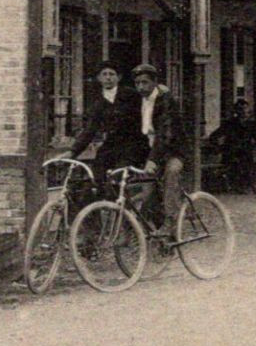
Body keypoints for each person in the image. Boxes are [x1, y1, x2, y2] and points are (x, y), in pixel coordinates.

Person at [68, 63, 147, 196]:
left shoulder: (131, 95)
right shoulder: (97, 101)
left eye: (112, 74)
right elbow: (90, 130)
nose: (108, 78)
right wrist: (73, 151)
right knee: (94, 182)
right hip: (111, 146)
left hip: (133, 147)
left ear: (119, 78)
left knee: (117, 181)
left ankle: (122, 212)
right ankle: (98, 212)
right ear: (99, 78)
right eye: (104, 74)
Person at [134, 62, 191, 230]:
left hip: (174, 151)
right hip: (153, 152)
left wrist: (153, 159)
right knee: (147, 190)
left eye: (145, 82)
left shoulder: (166, 101)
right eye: (137, 83)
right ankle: (153, 226)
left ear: (154, 82)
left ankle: (171, 223)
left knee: (171, 175)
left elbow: (165, 134)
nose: (141, 87)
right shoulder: (139, 101)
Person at [207, 98, 256, 193]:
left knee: (250, 161)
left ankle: (246, 186)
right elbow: (214, 136)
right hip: (231, 152)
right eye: (241, 110)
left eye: (246, 110)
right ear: (237, 111)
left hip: (246, 152)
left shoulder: (251, 125)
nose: (244, 112)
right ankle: (239, 186)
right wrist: (219, 146)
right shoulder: (229, 123)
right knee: (238, 162)